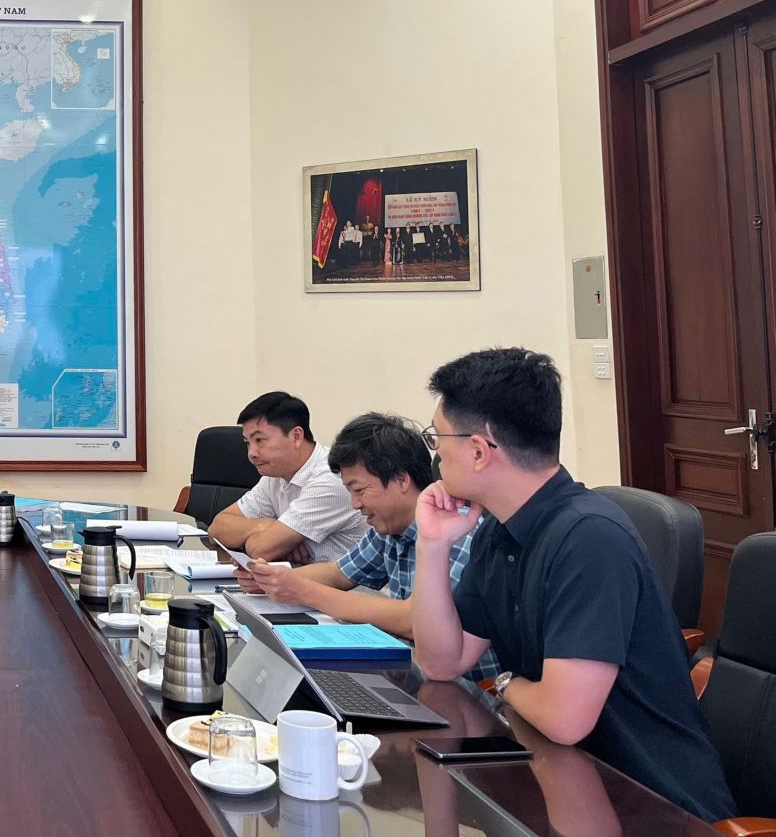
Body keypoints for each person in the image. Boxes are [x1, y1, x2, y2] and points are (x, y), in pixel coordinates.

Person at [410, 347, 734, 824]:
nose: (436, 455)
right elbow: (441, 662)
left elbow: (564, 719)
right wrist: (432, 545)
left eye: (437, 439)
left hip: (656, 808)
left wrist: (506, 684)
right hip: (562, 784)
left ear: (478, 450)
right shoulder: (499, 530)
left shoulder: (589, 538)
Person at [233, 412, 499, 682]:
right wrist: (274, 580)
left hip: (472, 691)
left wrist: (303, 591)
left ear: (401, 480)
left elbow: (413, 620)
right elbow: (338, 573)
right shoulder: (388, 527)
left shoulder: (456, 531)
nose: (354, 504)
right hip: (417, 671)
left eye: (359, 490)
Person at [206, 392, 369, 563]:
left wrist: (269, 538)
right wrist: (265, 525)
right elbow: (217, 528)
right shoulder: (275, 475)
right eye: (247, 443)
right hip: (298, 575)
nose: (251, 453)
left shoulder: (330, 479)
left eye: (260, 440)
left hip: (347, 580)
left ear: (296, 436)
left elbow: (259, 549)